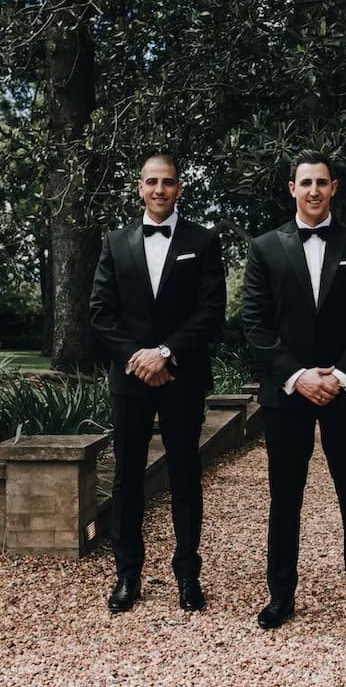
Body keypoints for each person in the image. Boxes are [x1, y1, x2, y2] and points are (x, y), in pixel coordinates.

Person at [241, 149, 346, 630]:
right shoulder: (264, 248)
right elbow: (256, 324)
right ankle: (280, 596)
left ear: (333, 188)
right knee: (285, 496)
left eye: (321, 182)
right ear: (292, 188)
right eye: (305, 183)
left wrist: (341, 375)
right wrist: (298, 376)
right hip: (287, 394)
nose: (313, 191)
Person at [90, 151, 226, 613]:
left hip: (182, 376)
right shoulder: (115, 242)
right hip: (131, 378)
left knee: (185, 475)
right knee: (127, 478)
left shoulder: (203, 241)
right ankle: (127, 575)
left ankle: (188, 575)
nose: (159, 189)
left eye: (167, 182)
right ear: (140, 187)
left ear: (179, 188)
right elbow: (101, 312)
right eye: (152, 182)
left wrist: (165, 353)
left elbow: (211, 311)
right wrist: (139, 358)